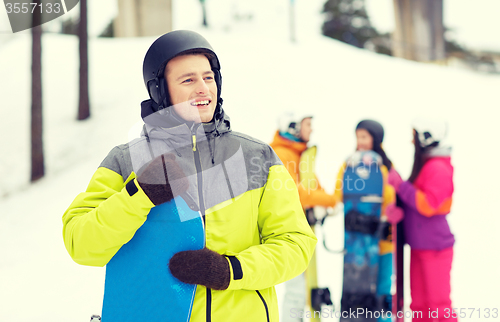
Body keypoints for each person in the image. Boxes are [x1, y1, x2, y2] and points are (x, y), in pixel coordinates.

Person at [62, 30, 317, 322]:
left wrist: (231, 270)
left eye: (208, 78)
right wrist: (138, 196)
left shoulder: (256, 157)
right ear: (160, 90)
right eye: (188, 80)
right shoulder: (125, 160)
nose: (203, 89)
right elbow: (81, 245)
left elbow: (297, 244)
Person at [388, 118, 456, 322]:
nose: (412, 142)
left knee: (438, 306)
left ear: (427, 137)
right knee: (419, 305)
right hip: (419, 246)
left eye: (414, 136)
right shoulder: (427, 165)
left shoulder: (438, 168)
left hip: (435, 248)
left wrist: (401, 186)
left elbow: (428, 204)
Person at [270, 113, 336, 322]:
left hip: (301, 227)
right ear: (294, 127)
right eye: (308, 124)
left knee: (305, 285)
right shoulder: (281, 154)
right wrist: (330, 200)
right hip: (286, 228)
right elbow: (293, 191)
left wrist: (324, 201)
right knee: (296, 287)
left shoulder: (300, 156)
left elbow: (312, 185)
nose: (312, 129)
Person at [334, 120, 396, 318]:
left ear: (375, 139)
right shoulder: (349, 164)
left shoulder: (386, 167)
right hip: (358, 244)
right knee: (359, 292)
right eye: (357, 137)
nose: (359, 142)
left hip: (384, 242)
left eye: (364, 137)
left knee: (383, 290)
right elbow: (339, 194)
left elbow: (392, 198)